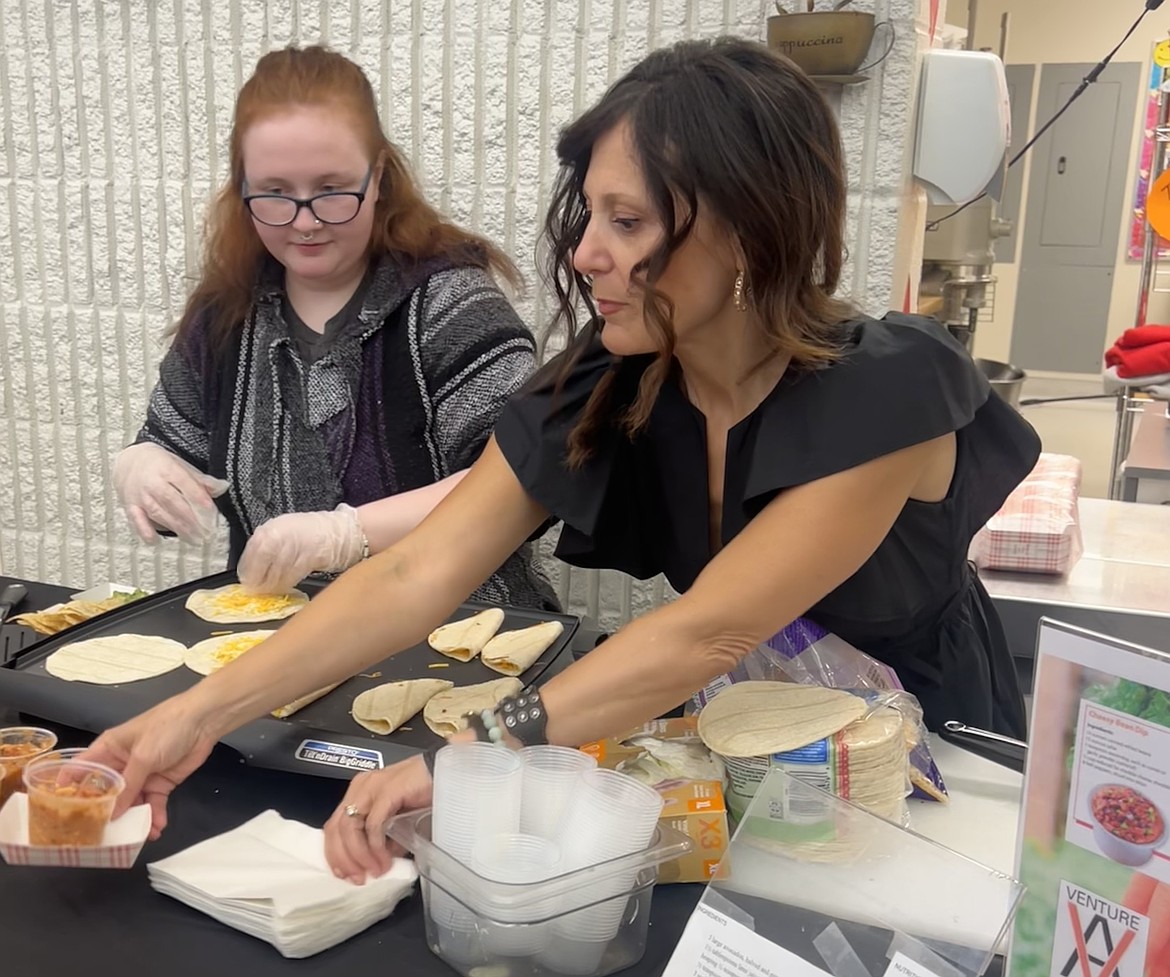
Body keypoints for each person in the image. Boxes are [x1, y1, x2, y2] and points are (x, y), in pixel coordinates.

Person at [90, 36, 1042, 885]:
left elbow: (699, 633)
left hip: (928, 753)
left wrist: (473, 748)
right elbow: (421, 568)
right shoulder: (617, 377)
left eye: (628, 223)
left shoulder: (883, 392)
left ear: (751, 228)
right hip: (752, 743)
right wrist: (198, 712)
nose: (584, 253)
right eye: (589, 215)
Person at [110, 44, 555, 608]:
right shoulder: (225, 316)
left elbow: (524, 483)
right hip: (275, 640)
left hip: (458, 634)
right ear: (241, 188)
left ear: (380, 177)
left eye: (331, 189)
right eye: (274, 193)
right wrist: (144, 466)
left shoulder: (449, 303)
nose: (306, 222)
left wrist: (349, 534)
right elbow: (177, 453)